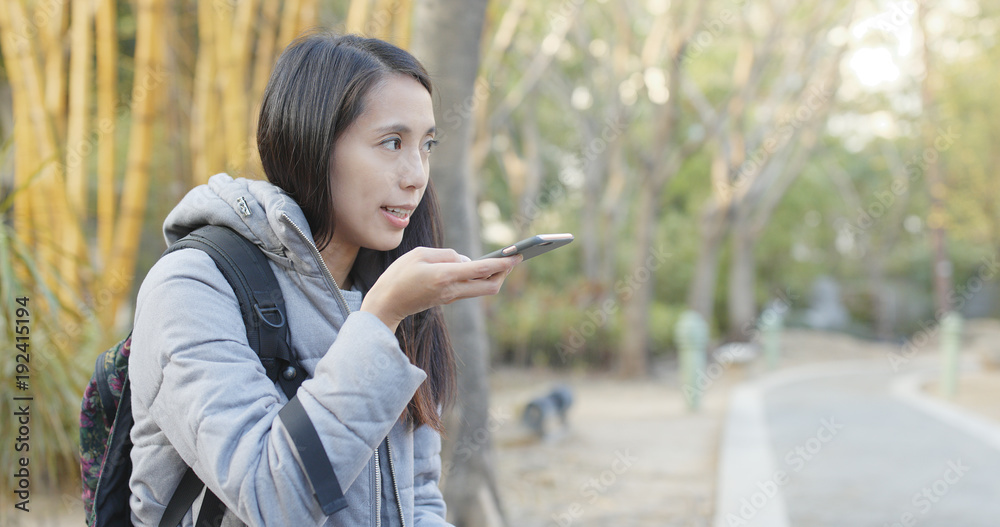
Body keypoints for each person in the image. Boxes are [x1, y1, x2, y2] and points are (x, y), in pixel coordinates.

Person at [127, 31, 520, 526]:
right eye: (392, 143)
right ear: (311, 143)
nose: (417, 174)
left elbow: (416, 497)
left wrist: (387, 311)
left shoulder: (384, 284)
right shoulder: (192, 286)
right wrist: (380, 319)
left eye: (427, 145)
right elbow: (272, 499)